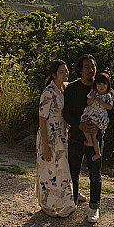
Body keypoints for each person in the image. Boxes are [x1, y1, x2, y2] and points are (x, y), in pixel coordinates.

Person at [63, 54, 104, 223]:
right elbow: (66, 112)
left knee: (95, 173)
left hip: (96, 137)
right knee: (73, 170)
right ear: (80, 70)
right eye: (87, 66)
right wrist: (78, 125)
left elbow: (109, 108)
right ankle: (71, 202)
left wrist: (99, 125)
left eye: (93, 66)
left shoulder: (101, 87)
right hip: (76, 136)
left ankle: (94, 207)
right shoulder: (72, 89)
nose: (91, 69)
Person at [36, 59, 76, 218]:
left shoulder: (64, 88)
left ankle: (64, 203)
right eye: (61, 71)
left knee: (61, 170)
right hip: (50, 136)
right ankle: (49, 204)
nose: (65, 73)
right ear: (53, 75)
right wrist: (45, 145)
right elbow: (42, 120)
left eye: (66, 70)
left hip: (62, 135)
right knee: (49, 171)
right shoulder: (48, 92)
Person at [79, 73, 113, 161]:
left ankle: (97, 152)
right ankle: (89, 141)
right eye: (99, 84)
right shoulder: (93, 93)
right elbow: (88, 102)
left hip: (99, 117)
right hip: (90, 115)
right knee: (85, 127)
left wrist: (103, 103)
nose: (101, 86)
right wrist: (92, 99)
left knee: (95, 135)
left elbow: (110, 107)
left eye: (104, 84)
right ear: (95, 85)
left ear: (108, 85)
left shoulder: (107, 96)